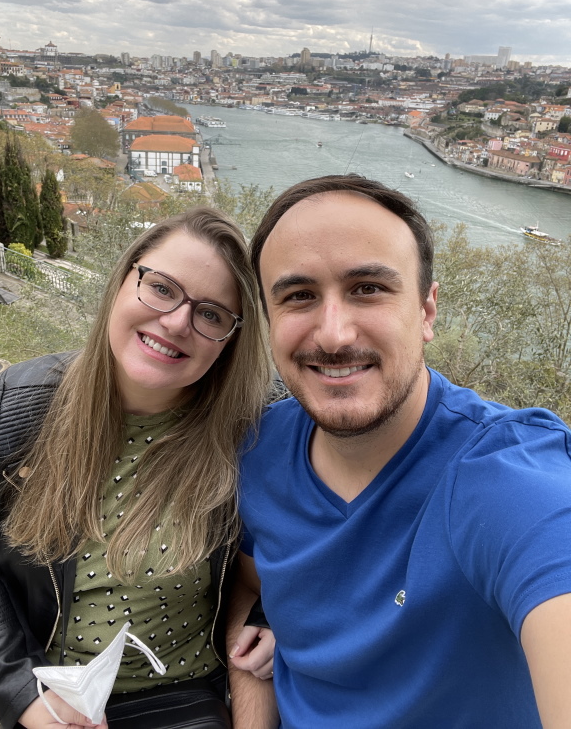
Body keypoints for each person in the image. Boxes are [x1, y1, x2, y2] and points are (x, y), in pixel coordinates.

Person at [228, 175, 571, 729]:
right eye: (298, 297)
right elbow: (249, 588)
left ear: (427, 310)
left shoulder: (506, 476)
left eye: (368, 288)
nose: (334, 334)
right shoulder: (259, 453)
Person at [0, 206, 275, 729]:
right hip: (41, 692)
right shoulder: (21, 404)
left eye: (210, 314)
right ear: (122, 281)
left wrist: (270, 624)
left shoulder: (253, 431)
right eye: (161, 288)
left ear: (231, 340)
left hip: (181, 699)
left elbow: (299, 551)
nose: (177, 321)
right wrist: (22, 694)